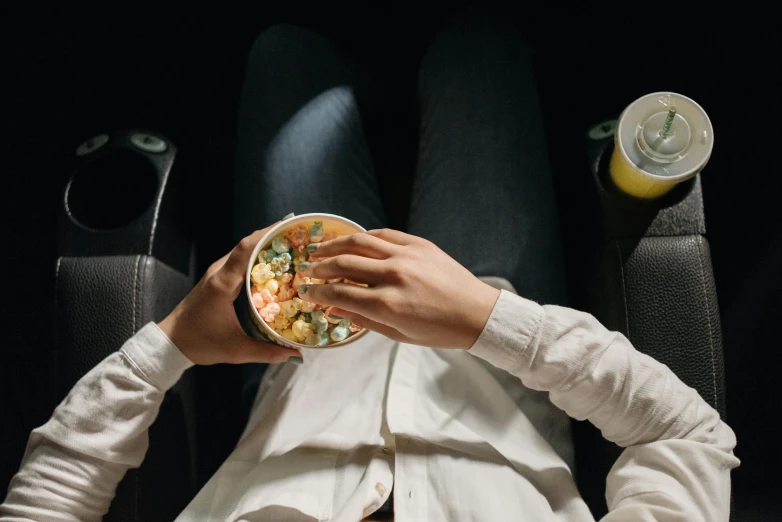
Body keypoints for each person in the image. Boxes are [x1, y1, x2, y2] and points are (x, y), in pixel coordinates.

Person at [1, 12, 738, 522]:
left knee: (285, 54)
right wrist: (490, 320)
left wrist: (171, 345)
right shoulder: (493, 320)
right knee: (476, 49)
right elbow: (686, 440)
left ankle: (372, 106)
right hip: (495, 334)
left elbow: (48, 496)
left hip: (298, 345)